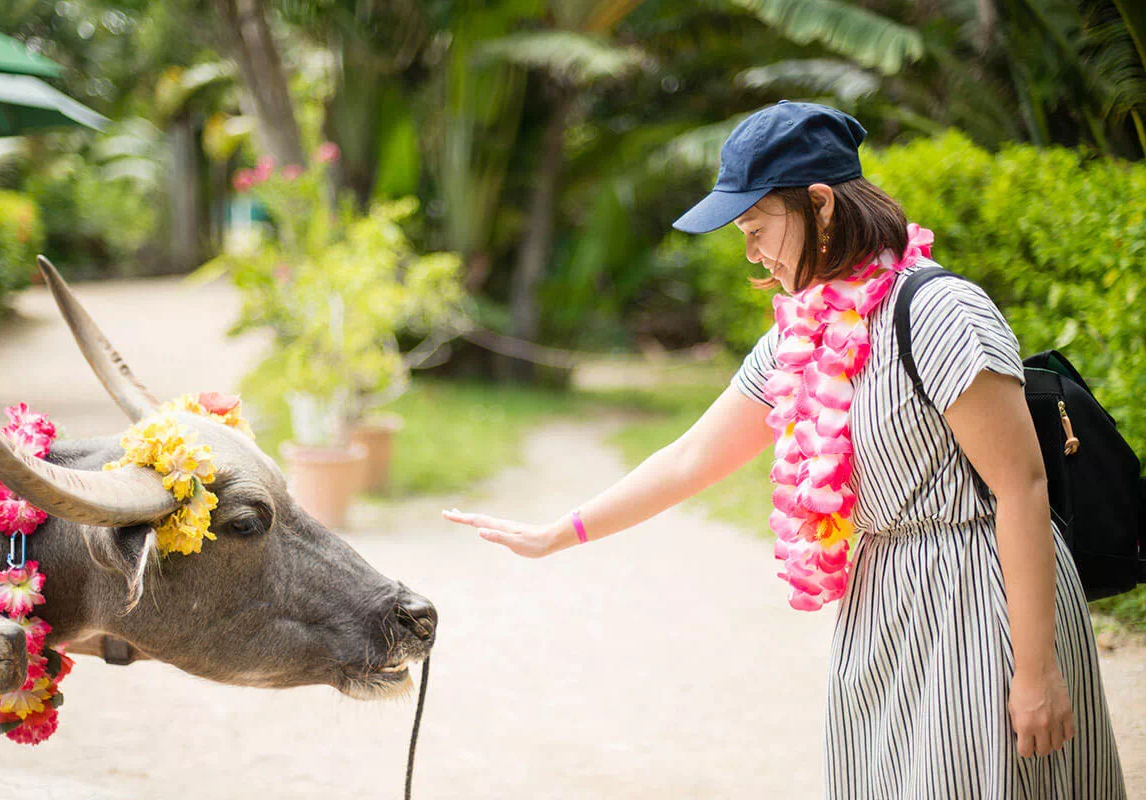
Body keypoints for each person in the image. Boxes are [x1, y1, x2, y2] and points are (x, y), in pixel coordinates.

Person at [443, 101, 1125, 798]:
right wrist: (559, 533)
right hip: (880, 605)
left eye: (756, 226)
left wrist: (1035, 669)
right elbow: (688, 459)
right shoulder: (797, 337)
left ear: (821, 204)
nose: (751, 251)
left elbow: (1023, 489)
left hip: (982, 600)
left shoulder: (940, 310)